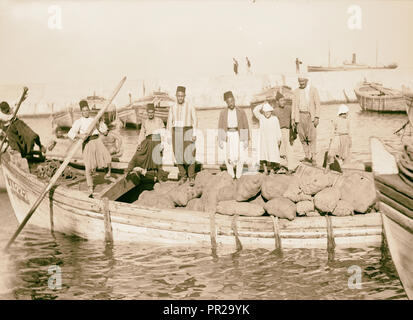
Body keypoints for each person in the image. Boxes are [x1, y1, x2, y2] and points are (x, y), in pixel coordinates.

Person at [67, 100, 112, 198]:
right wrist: (80, 135)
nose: (86, 112)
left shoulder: (93, 119)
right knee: (89, 167)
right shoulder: (78, 122)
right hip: (87, 143)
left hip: (97, 141)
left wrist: (104, 130)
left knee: (107, 158)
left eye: (87, 110)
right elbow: (70, 133)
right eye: (84, 111)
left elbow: (103, 130)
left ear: (89, 110)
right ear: (81, 112)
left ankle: (107, 173)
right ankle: (90, 187)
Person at [166, 86, 198, 186]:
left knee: (190, 153)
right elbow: (169, 122)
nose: (180, 98)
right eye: (178, 96)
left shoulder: (190, 106)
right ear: (176, 96)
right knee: (178, 154)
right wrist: (169, 136)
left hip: (187, 130)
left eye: (182, 96)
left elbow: (195, 120)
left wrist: (194, 133)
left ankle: (191, 177)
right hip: (176, 131)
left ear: (185, 96)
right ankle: (183, 176)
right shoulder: (172, 107)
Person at [125, 103, 165, 178]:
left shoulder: (159, 121)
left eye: (152, 112)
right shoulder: (145, 121)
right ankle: (129, 169)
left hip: (156, 140)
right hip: (147, 140)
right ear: (147, 112)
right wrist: (139, 144)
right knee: (138, 154)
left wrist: (162, 144)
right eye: (149, 112)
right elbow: (142, 133)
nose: (150, 114)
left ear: (154, 112)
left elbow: (163, 133)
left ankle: (158, 176)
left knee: (157, 158)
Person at [218, 91, 250, 179]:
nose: (231, 103)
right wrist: (220, 139)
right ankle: (231, 175)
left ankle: (239, 175)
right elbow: (220, 126)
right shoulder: (223, 113)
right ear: (226, 103)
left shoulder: (241, 111)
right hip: (227, 134)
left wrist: (246, 139)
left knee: (241, 155)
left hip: (238, 134)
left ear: (234, 100)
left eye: (232, 101)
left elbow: (245, 125)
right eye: (228, 102)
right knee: (227, 156)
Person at [291, 74, 321, 165]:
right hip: (299, 116)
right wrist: (293, 119)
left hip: (310, 116)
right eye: (300, 82)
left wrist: (317, 117)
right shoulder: (295, 92)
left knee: (312, 137)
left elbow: (318, 104)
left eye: (303, 81)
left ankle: (314, 157)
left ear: (307, 81)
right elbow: (294, 106)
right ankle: (307, 156)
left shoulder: (313, 90)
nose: (301, 83)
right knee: (302, 138)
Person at [253, 102, 282, 175]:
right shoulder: (261, 118)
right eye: (265, 112)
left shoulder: (275, 119)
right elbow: (255, 111)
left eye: (268, 111)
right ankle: (265, 170)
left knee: (272, 154)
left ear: (271, 111)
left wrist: (279, 138)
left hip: (272, 140)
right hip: (264, 140)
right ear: (263, 112)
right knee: (263, 155)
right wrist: (262, 105)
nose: (267, 113)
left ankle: (272, 169)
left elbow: (278, 129)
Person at [273, 91, 294, 171]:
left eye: (284, 100)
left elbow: (293, 120)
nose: (283, 102)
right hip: (278, 131)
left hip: (288, 131)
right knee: (278, 149)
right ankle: (277, 166)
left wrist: (293, 133)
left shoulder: (289, 108)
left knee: (289, 149)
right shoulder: (274, 111)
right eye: (281, 100)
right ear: (277, 102)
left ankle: (291, 167)